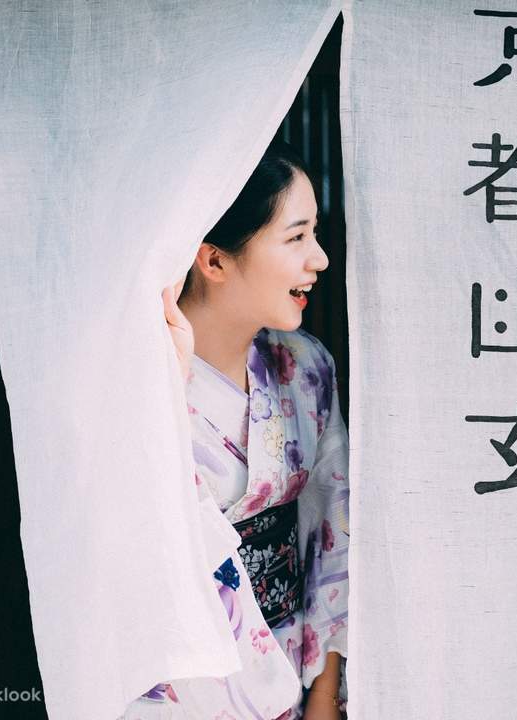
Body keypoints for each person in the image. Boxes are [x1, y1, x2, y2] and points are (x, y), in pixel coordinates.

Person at [128, 142, 349, 719]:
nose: (319, 258)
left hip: (295, 670)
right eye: (296, 237)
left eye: (315, 234)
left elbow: (334, 525)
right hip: (180, 690)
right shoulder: (139, 386)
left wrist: (324, 696)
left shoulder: (304, 368)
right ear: (215, 260)